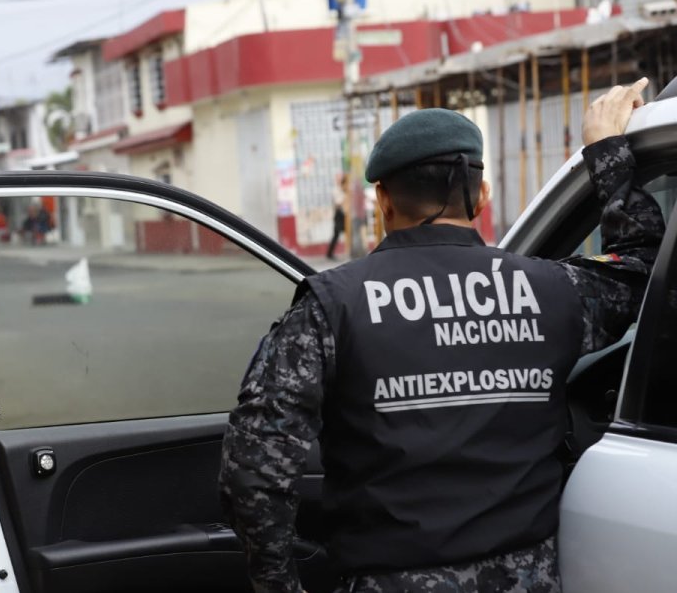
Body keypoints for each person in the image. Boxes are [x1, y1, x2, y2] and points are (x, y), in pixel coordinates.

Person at [220, 80, 664, 593]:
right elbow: (643, 268)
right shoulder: (553, 291)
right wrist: (607, 151)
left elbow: (253, 469)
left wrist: (278, 584)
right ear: (482, 196)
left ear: (382, 200)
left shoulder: (331, 308)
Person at [326, 174, 346, 261]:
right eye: (339, 179)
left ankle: (329, 253)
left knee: (337, 234)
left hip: (342, 214)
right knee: (336, 234)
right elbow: (338, 203)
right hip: (338, 215)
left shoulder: (342, 189)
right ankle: (329, 253)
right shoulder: (336, 190)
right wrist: (345, 199)